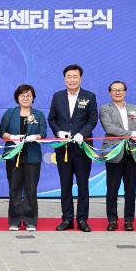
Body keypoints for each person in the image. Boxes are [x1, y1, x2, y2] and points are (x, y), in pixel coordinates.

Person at [48, 64, 98, 232]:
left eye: (75, 76)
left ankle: (82, 219)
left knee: (83, 185)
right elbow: (52, 119)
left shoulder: (89, 96)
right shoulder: (57, 96)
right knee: (65, 184)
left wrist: (82, 134)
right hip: (63, 149)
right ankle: (67, 218)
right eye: (69, 77)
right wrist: (58, 132)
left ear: (80, 78)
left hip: (82, 148)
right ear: (64, 79)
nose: (72, 80)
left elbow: (92, 120)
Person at [98, 80, 136, 231]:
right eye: (114, 90)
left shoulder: (135, 108)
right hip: (114, 151)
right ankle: (112, 220)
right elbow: (109, 128)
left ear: (125, 92)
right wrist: (131, 134)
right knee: (112, 189)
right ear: (110, 92)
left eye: (120, 90)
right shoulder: (105, 109)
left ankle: (129, 221)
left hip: (132, 152)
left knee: (130, 189)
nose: (117, 92)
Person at [0, 84, 46, 231]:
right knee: (14, 188)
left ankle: (30, 221)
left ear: (33, 98)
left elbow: (43, 133)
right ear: (17, 97)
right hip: (13, 155)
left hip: (32, 156)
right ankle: (14, 221)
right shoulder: (10, 113)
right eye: (22, 95)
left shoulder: (38, 114)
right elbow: (2, 132)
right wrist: (12, 137)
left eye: (28, 95)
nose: (25, 98)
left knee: (31, 189)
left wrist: (35, 137)